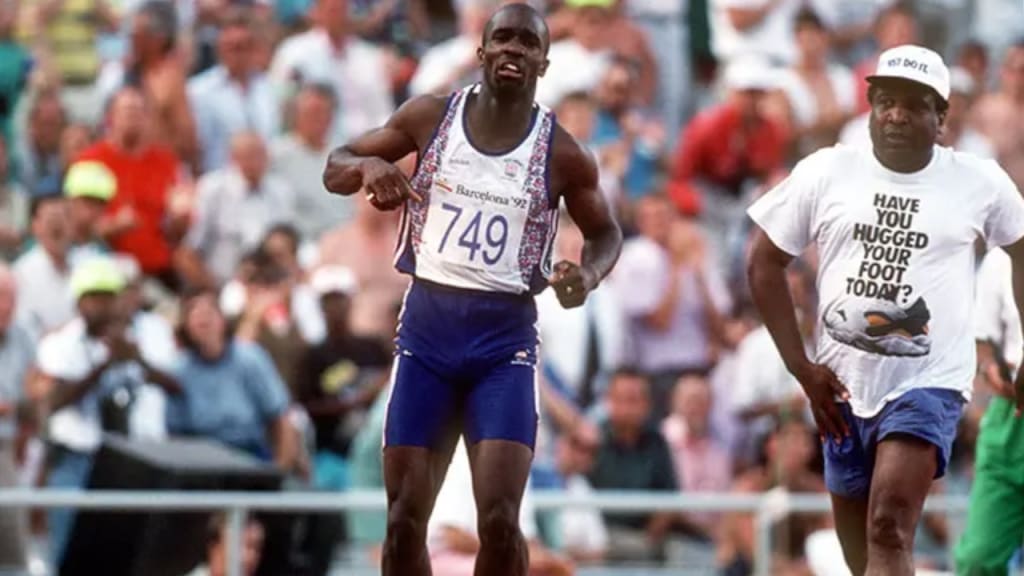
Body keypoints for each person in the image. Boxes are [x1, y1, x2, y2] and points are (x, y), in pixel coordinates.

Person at [321, 4, 623, 576]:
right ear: (481, 51)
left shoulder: (564, 153)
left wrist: (587, 275)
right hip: (426, 338)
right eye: (502, 38)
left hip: (502, 345)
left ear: (544, 62)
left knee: (502, 522)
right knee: (404, 520)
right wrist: (368, 169)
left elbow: (606, 234)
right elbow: (337, 163)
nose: (513, 50)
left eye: (527, 43)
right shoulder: (430, 116)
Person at [745, 44, 1024, 576]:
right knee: (862, 558)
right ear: (870, 107)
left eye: (914, 105)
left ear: (941, 118)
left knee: (888, 526)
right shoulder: (828, 170)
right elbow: (763, 263)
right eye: (885, 101)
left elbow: (1023, 253)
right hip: (841, 389)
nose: (896, 115)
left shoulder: (979, 181)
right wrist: (802, 368)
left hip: (929, 381)